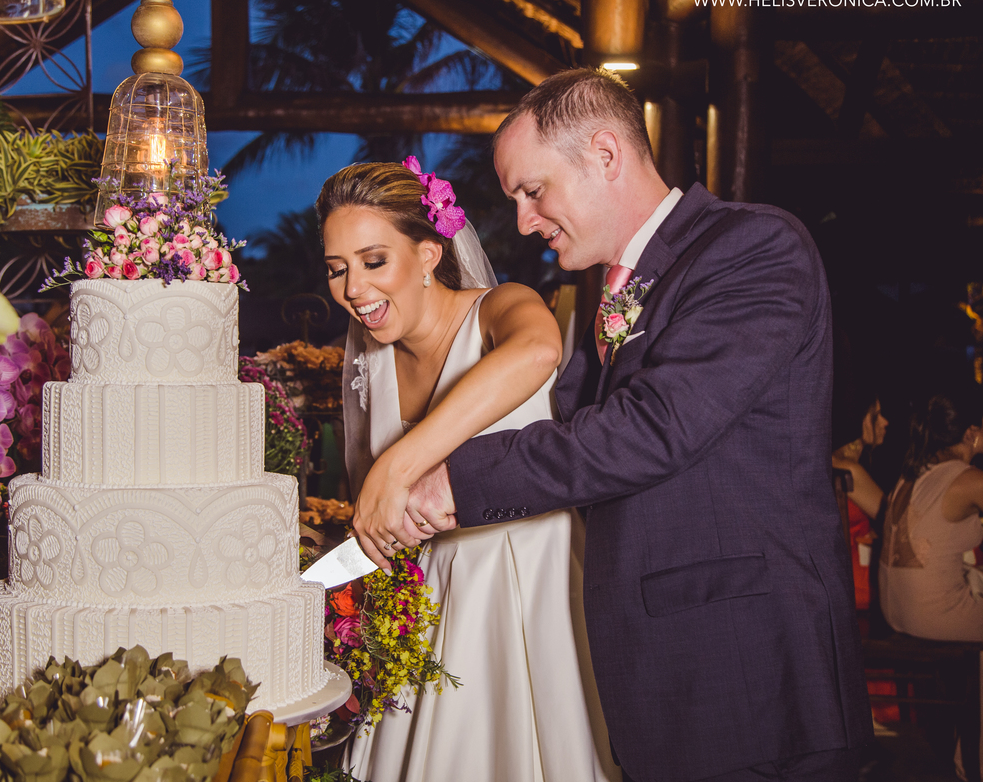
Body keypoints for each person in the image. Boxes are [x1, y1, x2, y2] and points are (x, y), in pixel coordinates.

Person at [358, 68, 873, 781]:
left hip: (752, 677)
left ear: (605, 154)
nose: (523, 221)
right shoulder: (601, 292)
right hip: (661, 675)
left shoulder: (753, 248)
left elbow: (653, 428)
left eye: (532, 191)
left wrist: (450, 483)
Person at [320, 159, 616, 782]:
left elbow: (538, 351)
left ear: (430, 254)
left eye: (374, 261)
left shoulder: (500, 309)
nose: (354, 289)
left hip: (531, 594)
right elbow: (374, 516)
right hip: (428, 611)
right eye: (337, 269)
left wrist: (399, 465)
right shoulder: (368, 367)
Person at [879, 391, 983, 641]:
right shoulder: (968, 480)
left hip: (897, 612)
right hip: (936, 617)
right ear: (970, 434)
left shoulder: (912, 474)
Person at [832, 394, 890, 609]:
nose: (885, 422)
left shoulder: (828, 460)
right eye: (877, 415)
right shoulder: (849, 470)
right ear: (860, 420)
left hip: (841, 579)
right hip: (860, 582)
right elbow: (895, 520)